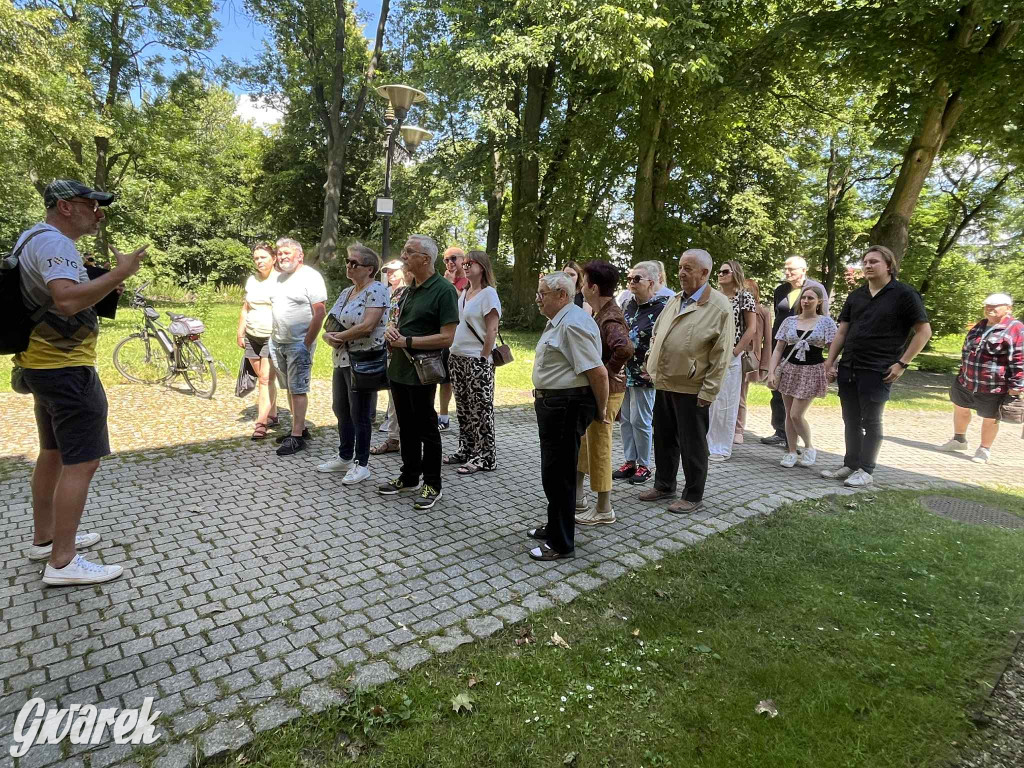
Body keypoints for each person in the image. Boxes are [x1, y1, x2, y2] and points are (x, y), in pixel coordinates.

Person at [16, 179, 146, 585]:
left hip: (40, 365)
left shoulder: (30, 238)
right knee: (83, 461)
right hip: (66, 368)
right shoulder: (55, 244)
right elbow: (67, 300)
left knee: (52, 452)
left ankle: (47, 539)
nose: (99, 213)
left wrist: (106, 282)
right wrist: (121, 272)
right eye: (93, 205)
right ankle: (63, 562)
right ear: (67, 206)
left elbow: (64, 295)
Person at [822, 245, 932, 487]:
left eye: (874, 261)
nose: (868, 266)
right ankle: (850, 464)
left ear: (889, 266)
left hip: (879, 368)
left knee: (871, 420)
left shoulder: (904, 294)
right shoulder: (856, 296)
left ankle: (866, 469)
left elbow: (924, 332)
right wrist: (830, 362)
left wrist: (902, 363)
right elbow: (842, 332)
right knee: (850, 419)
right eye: (865, 262)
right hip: (849, 365)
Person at [639, 248, 734, 514]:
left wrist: (710, 390)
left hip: (693, 387)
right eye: (681, 266)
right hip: (665, 381)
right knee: (664, 437)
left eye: (688, 268)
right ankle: (664, 485)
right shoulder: (674, 299)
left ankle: (693, 495)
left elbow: (722, 353)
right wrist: (651, 363)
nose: (681, 272)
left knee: (693, 443)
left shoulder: (718, 306)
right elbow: (658, 333)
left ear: (705, 273)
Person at [527, 272, 608, 561]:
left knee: (559, 474)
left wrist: (600, 411)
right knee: (554, 472)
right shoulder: (561, 320)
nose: (538, 298)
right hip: (555, 404)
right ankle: (554, 526)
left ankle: (561, 543)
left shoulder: (572, 323)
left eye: (542, 293)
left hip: (565, 406)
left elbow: (597, 372)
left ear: (562, 295)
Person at [379, 235, 459, 510]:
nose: (403, 256)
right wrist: (392, 332)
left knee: (426, 427)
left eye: (409, 252)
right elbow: (400, 323)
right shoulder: (409, 289)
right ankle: (410, 475)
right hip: (399, 368)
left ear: (425, 259)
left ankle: (432, 484)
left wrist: (408, 342)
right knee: (406, 426)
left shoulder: (444, 291)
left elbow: (447, 337)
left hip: (422, 371)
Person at [318, 243, 388, 483]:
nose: (348, 266)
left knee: (360, 413)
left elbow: (368, 326)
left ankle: (362, 463)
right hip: (341, 359)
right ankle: (345, 455)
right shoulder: (347, 292)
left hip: (363, 360)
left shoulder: (377, 290)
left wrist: (340, 337)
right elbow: (332, 321)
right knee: (341, 409)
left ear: (369, 269)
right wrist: (328, 336)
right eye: (348, 262)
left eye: (353, 263)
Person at [575, 261, 634, 524]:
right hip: (602, 387)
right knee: (588, 442)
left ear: (593, 287)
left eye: (583, 280)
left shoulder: (610, 317)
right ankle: (579, 497)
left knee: (599, 445)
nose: (580, 286)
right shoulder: (602, 312)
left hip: (608, 390)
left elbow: (625, 349)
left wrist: (607, 372)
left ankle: (604, 508)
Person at [939, 293, 1023, 464]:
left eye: (995, 306)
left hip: (993, 385)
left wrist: (1017, 385)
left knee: (990, 417)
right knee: (960, 407)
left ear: (1008, 308)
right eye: (987, 306)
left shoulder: (1016, 328)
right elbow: (967, 349)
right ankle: (959, 440)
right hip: (966, 380)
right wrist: (962, 371)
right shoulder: (980, 325)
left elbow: (1020, 359)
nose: (990, 309)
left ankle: (984, 449)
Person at [761, 256, 829, 446]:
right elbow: (779, 316)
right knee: (777, 389)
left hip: (806, 350)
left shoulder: (815, 288)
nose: (787, 272)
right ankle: (780, 431)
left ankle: (800, 439)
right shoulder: (781, 290)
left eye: (792, 269)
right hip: (782, 344)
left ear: (804, 270)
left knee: (798, 399)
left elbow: (823, 317)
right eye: (786, 268)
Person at [269, 238, 328, 456]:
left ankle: (297, 438)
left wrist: (306, 343)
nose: (283, 257)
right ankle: (299, 428)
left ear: (299, 256)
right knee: (290, 388)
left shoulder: (310, 277)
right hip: (278, 342)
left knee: (298, 388)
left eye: (287, 253)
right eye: (280, 253)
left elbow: (320, 312)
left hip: (298, 343)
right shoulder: (279, 278)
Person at [768, 285, 838, 468]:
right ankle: (791, 451)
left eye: (810, 298)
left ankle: (809, 447)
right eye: (804, 298)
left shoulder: (826, 322)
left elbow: (833, 349)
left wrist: (830, 368)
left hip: (812, 371)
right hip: (789, 370)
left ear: (819, 301)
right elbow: (778, 349)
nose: (806, 301)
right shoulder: (789, 321)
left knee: (796, 414)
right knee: (788, 414)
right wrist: (771, 371)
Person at [446, 250, 502, 473]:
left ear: (483, 266)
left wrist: (483, 357)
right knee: (463, 408)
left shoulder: (488, 294)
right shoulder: (465, 292)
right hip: (457, 357)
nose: (466, 266)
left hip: (476, 359)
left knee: (481, 410)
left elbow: (492, 329)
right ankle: (467, 449)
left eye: (471, 263)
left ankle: (486, 457)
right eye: (465, 263)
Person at [614, 261, 669, 485]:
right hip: (625, 369)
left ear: (653, 283)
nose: (631, 283)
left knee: (641, 419)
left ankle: (645, 465)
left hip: (646, 371)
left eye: (637, 279)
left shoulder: (664, 307)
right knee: (626, 418)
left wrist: (655, 366)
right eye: (629, 279)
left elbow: (664, 341)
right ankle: (630, 461)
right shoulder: (628, 304)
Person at [706, 259, 757, 461]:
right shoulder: (714, 297)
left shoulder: (745, 297)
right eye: (719, 271)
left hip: (731, 355)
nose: (720, 274)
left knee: (726, 400)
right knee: (708, 398)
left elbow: (751, 328)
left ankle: (720, 447)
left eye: (725, 271)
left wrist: (735, 352)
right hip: (710, 353)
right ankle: (706, 442)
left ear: (735, 273)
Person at [237, 243, 280, 440]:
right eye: (256, 258)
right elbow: (246, 307)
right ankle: (273, 412)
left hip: (271, 336)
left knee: (264, 379)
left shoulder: (280, 281)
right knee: (263, 377)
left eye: (263, 257)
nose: (259, 261)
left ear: (274, 258)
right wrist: (240, 331)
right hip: (252, 336)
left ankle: (261, 422)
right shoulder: (252, 280)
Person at [372, 259, 406, 455]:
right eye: (388, 271)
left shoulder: (408, 292)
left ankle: (403, 438)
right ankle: (394, 437)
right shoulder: (384, 292)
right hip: (384, 348)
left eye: (395, 271)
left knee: (400, 396)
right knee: (391, 395)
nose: (391, 274)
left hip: (401, 348)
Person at [735, 278, 771, 443]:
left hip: (749, 358)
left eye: (749, 291)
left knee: (741, 394)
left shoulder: (762, 311)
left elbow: (768, 341)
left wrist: (765, 365)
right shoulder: (734, 307)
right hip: (733, 354)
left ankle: (738, 429)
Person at [438, 246, 468, 432]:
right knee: (442, 378)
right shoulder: (444, 280)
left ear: (463, 260)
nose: (450, 263)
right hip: (443, 336)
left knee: (457, 381)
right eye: (446, 260)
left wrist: (448, 285)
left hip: (462, 338)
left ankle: (459, 418)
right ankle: (443, 416)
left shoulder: (468, 281)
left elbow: (460, 304)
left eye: (454, 258)